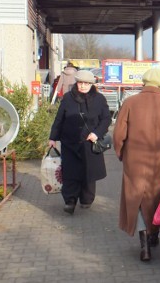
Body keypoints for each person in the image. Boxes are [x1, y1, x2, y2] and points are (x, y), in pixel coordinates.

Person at [113, 68, 160, 262]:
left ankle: (144, 246)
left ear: (144, 82)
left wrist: (121, 154)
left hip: (134, 162)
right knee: (155, 200)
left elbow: (118, 135)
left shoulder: (129, 103)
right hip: (158, 163)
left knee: (135, 200)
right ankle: (154, 235)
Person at [47, 70, 111, 215]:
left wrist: (96, 133)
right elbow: (59, 119)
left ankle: (86, 199)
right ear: (76, 83)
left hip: (90, 143)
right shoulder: (68, 97)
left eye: (86, 84)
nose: (82, 86)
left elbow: (106, 119)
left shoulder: (99, 99)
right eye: (80, 83)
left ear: (91, 84)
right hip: (70, 142)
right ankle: (70, 201)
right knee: (70, 173)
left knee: (89, 173)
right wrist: (52, 138)